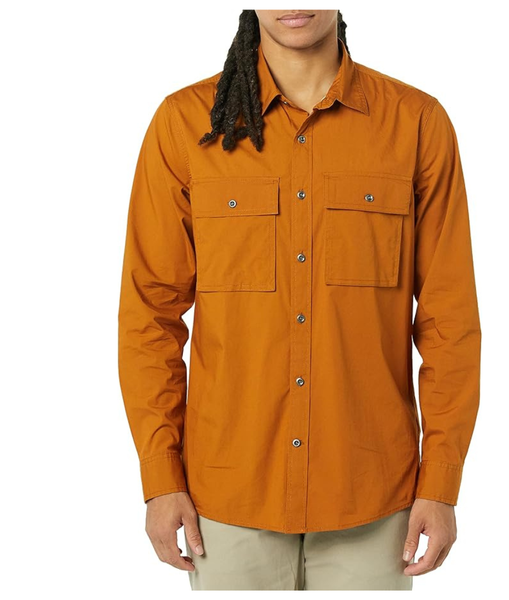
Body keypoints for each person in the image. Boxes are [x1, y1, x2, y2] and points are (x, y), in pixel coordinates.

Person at [117, 9, 482, 591]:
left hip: (374, 498)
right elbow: (149, 317)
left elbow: (449, 321)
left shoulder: (416, 123)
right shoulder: (183, 124)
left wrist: (441, 483)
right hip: (226, 499)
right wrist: (161, 477)